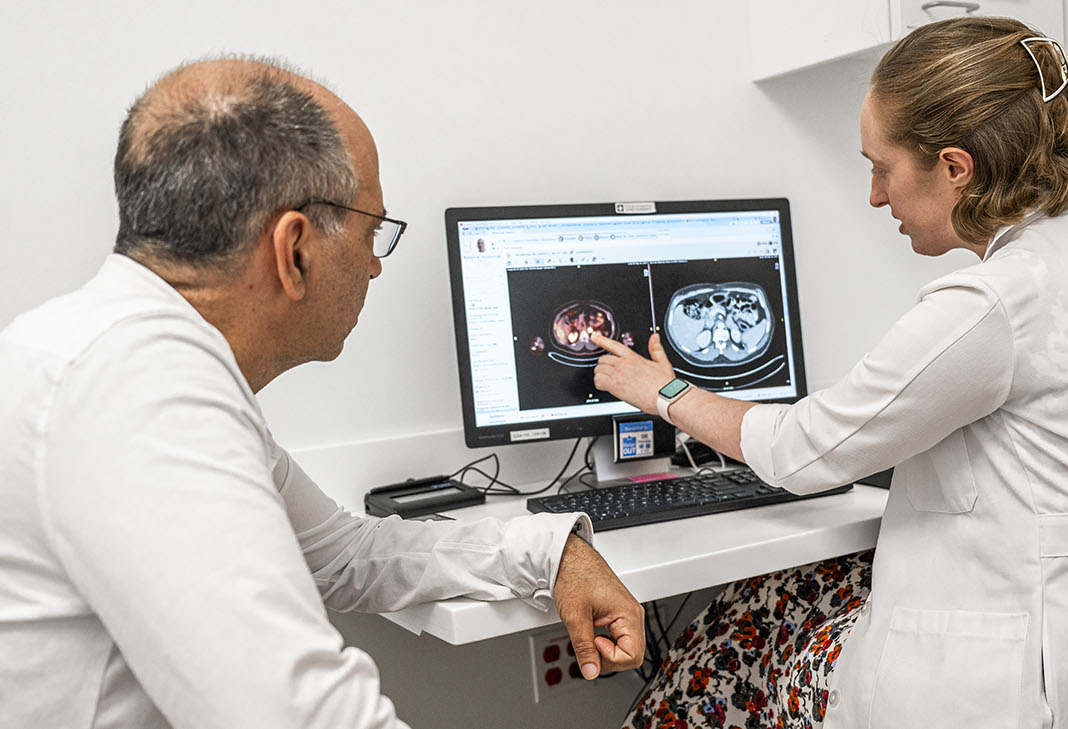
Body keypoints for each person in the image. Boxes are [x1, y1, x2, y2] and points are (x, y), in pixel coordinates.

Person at [593, 17, 1068, 729]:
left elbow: (799, 450)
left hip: (1034, 685)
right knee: (778, 590)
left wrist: (662, 390)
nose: (875, 195)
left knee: (722, 650)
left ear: (956, 167)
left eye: (882, 167)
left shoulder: (994, 301)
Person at [0, 56, 643, 728]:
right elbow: (301, 715)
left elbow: (345, 555)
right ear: (295, 249)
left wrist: (549, 551)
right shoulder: (136, 391)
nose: (373, 264)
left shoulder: (124, 356)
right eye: (373, 232)